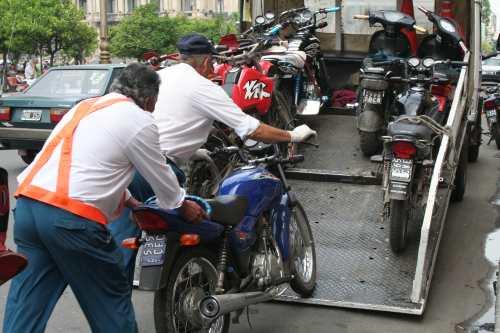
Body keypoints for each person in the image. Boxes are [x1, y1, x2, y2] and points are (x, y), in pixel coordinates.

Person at [3, 63, 206, 333]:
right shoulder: (139, 119)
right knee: (110, 301)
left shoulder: (84, 107)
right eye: (156, 103)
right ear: (148, 99)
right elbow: (162, 179)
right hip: (71, 221)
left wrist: (130, 200)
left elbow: (81, 163)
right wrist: (183, 205)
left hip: (29, 206)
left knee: (29, 300)